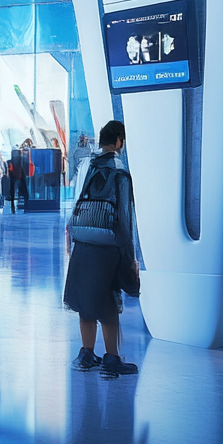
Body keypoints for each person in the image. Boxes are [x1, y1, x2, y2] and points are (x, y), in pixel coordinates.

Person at [65, 120, 140, 379]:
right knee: (108, 303)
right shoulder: (119, 172)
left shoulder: (86, 165)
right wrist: (130, 256)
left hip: (83, 242)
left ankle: (86, 353)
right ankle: (111, 358)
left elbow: (75, 203)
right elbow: (124, 218)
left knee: (85, 300)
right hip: (108, 246)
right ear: (120, 140)